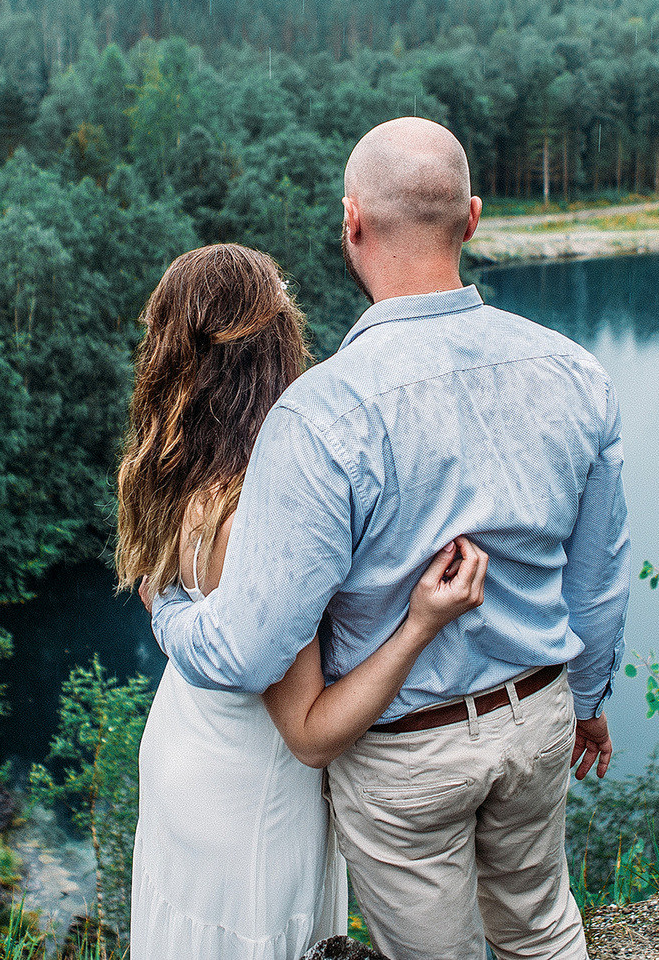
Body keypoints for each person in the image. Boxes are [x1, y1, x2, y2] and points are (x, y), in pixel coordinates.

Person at [150, 118, 632, 960]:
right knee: (545, 927)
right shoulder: (574, 371)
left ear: (352, 222)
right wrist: (588, 700)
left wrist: (174, 611)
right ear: (473, 217)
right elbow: (597, 581)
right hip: (539, 714)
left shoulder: (319, 416)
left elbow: (251, 648)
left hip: (408, 754)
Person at [119, 242, 495, 960]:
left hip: (184, 753)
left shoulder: (169, 475)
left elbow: (161, 596)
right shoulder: (260, 510)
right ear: (274, 347)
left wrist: (168, 618)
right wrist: (419, 624)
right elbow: (315, 730)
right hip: (251, 797)